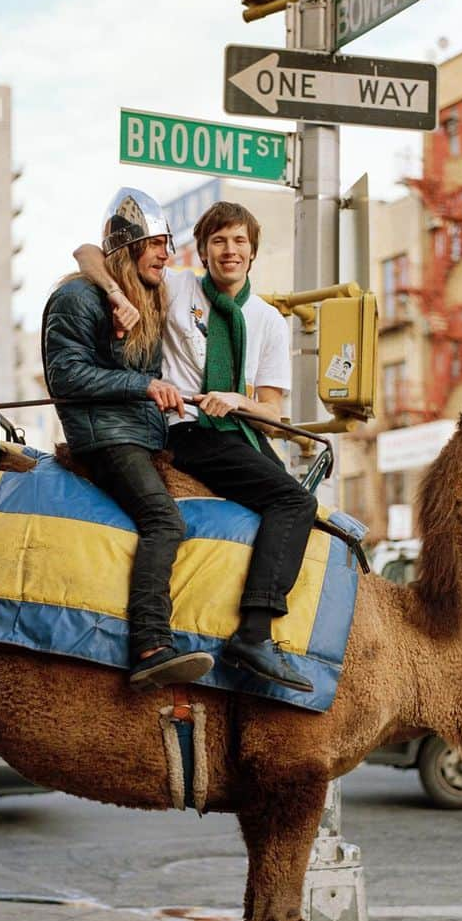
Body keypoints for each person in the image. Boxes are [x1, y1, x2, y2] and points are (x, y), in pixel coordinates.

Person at [74, 197, 317, 693]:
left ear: (253, 253)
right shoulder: (176, 284)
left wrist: (236, 399)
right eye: (219, 242)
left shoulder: (269, 320)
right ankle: (254, 633)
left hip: (236, 430)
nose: (230, 251)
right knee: (294, 500)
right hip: (182, 428)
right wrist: (115, 296)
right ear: (202, 253)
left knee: (300, 504)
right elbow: (86, 253)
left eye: (239, 242)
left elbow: (271, 414)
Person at [42, 189, 214, 689]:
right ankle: (150, 644)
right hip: (107, 438)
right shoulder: (77, 297)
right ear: (130, 248)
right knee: (164, 519)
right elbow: (66, 375)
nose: (166, 253)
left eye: (168, 243)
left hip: (145, 435)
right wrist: (145, 384)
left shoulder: (148, 295)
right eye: (156, 243)